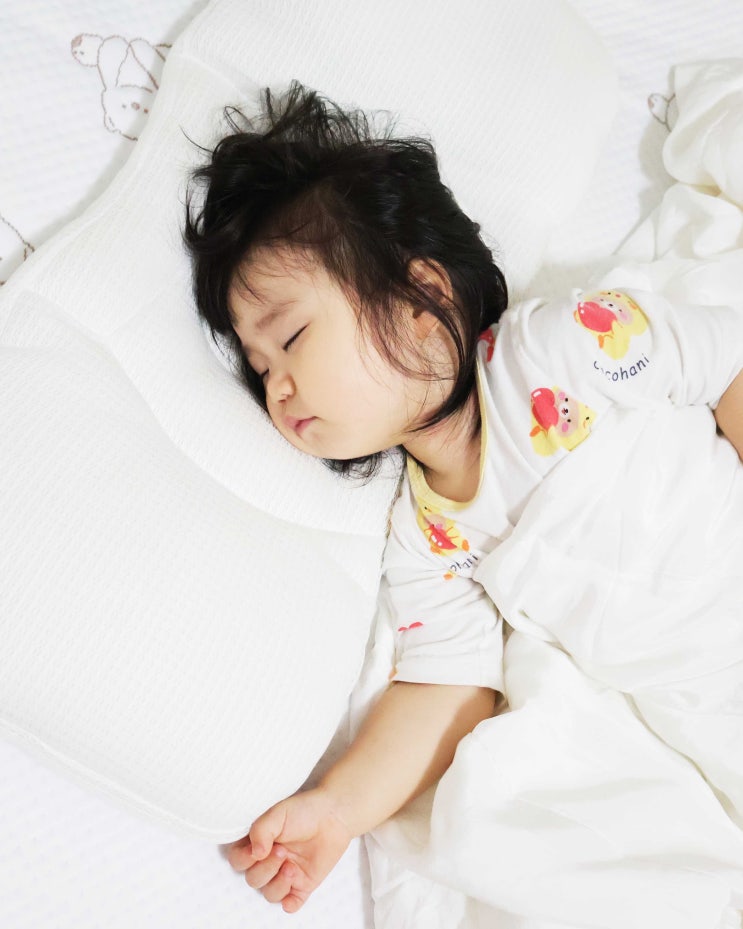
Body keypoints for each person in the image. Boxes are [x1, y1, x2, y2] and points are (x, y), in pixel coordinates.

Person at [184, 82, 743, 917]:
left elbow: (723, 363)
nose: (279, 387)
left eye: (292, 336)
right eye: (260, 369)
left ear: (422, 302)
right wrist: (337, 809)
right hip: (705, 703)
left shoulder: (556, 349)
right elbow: (447, 685)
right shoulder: (427, 534)